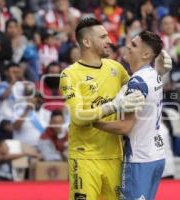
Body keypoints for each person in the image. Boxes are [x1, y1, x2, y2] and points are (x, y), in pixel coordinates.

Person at [59, 17, 145, 200]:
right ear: (87, 42)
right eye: (103, 37)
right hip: (84, 158)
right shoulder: (70, 75)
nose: (110, 41)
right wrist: (113, 106)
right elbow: (78, 117)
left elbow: (141, 88)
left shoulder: (116, 68)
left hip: (114, 157)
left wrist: (157, 72)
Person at [93, 30, 168, 200]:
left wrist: (94, 122)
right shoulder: (154, 75)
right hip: (156, 155)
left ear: (146, 54)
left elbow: (125, 126)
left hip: (139, 158)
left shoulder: (137, 82)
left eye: (134, 44)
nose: (128, 46)